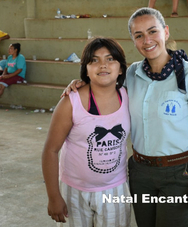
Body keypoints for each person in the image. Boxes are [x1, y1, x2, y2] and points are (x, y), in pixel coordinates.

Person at [64, 7, 188, 227]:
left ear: (165, 32)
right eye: (139, 35)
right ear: (133, 41)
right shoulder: (132, 74)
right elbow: (104, 85)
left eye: (152, 31)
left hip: (179, 174)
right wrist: (80, 84)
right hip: (140, 172)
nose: (147, 40)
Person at [42, 37, 131, 226]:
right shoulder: (70, 102)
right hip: (74, 191)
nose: (102, 65)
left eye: (110, 59)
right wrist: (53, 196)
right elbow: (50, 150)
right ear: (86, 70)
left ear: (121, 68)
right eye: (94, 60)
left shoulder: (130, 97)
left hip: (115, 189)